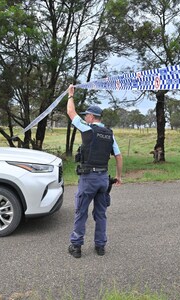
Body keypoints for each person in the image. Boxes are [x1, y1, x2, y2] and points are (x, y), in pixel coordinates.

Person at [67, 84, 123, 258]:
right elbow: (119, 156)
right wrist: (119, 176)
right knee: (101, 214)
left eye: (87, 115)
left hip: (89, 178)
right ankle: (100, 246)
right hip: (103, 180)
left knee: (81, 212)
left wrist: (70, 95)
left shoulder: (87, 128)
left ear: (91, 117)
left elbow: (71, 113)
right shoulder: (109, 133)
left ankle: (76, 247)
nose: (86, 117)